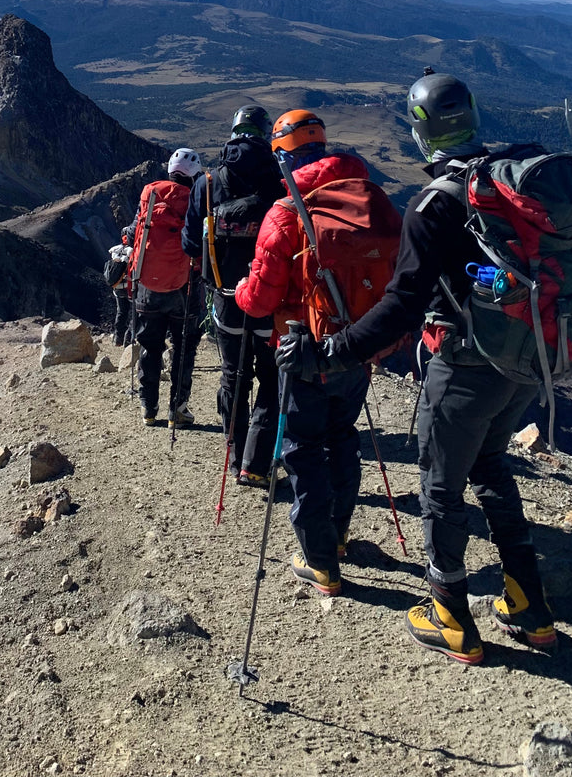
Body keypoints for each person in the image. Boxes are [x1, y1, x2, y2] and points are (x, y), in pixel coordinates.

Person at [277, 71, 555, 664]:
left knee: (441, 484)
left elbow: (403, 306)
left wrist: (331, 350)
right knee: (490, 464)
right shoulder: (508, 182)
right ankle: (527, 601)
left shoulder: (436, 205)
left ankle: (450, 613)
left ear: (420, 131)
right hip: (530, 357)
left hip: (467, 363)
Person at [235, 111, 385, 596]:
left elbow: (258, 299)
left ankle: (320, 562)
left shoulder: (287, 212)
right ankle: (339, 535)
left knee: (302, 451)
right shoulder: (370, 199)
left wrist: (239, 291)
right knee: (343, 438)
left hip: (303, 352)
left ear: (283, 155)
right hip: (360, 346)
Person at [182, 105, 284, 486]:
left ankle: (235, 455)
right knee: (271, 379)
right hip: (270, 300)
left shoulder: (207, 182)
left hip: (225, 298)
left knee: (233, 377)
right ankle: (256, 464)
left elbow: (191, 243)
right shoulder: (278, 178)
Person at [129, 148, 205, 427]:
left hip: (147, 284)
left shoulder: (150, 194)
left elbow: (134, 230)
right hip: (185, 286)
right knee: (184, 347)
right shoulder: (197, 198)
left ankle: (149, 408)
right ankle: (178, 410)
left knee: (150, 346)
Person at [105, 226, 135, 346]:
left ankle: (118, 338)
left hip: (117, 288)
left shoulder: (115, 250)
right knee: (136, 313)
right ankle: (129, 338)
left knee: (121, 313)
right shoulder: (132, 251)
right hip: (130, 287)